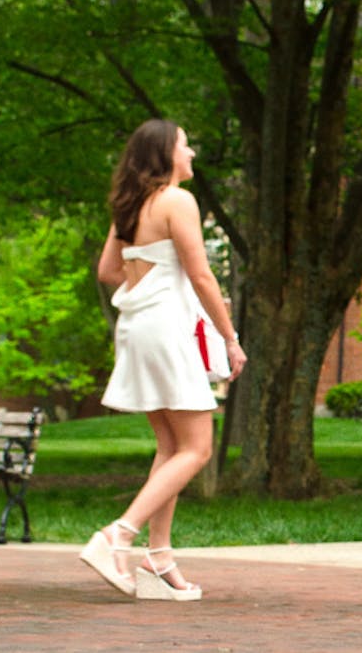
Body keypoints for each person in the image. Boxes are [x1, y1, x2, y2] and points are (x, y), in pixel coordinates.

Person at [80, 120, 247, 601]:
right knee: (197, 449)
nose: (192, 152)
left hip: (138, 329)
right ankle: (118, 536)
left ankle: (159, 557)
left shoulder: (131, 206)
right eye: (185, 144)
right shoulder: (177, 201)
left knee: (170, 446)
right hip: (171, 329)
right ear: (165, 154)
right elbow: (202, 276)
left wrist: (149, 282)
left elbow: (109, 271)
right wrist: (229, 337)